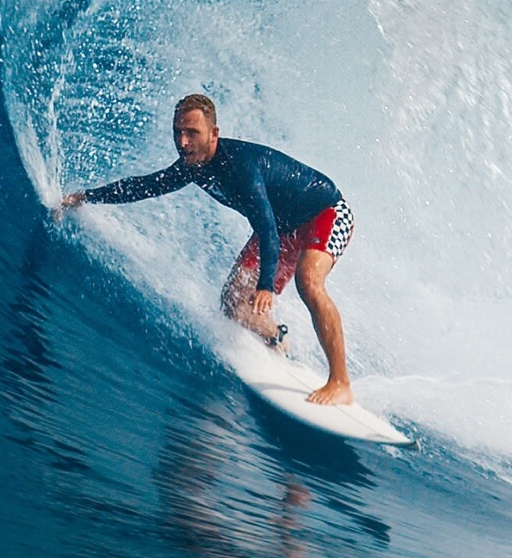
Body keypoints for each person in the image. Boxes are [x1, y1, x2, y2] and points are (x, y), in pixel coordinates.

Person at [55, 94, 359, 405]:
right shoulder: (192, 166)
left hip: (325, 212)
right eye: (178, 132)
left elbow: (265, 226)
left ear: (214, 133)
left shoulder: (241, 168)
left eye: (192, 133)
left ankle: (340, 382)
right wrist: (85, 197)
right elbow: (144, 186)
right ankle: (276, 338)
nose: (183, 142)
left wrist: (266, 285)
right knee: (233, 303)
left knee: (308, 281)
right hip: (283, 226)